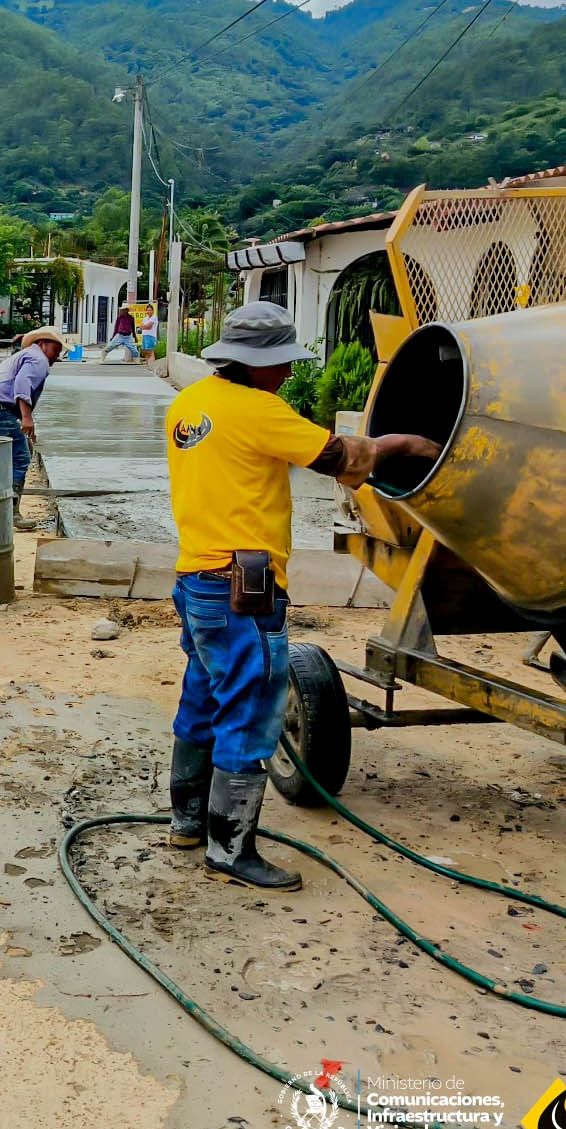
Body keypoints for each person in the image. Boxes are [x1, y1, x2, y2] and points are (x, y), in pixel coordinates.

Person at [165, 302, 440, 891]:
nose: (287, 373)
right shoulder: (260, 410)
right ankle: (230, 851)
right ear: (256, 365)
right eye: (281, 364)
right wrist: (408, 443)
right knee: (250, 710)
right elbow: (342, 459)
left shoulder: (190, 402)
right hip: (244, 590)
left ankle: (187, 821)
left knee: (202, 695)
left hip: (195, 582)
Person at [0, 325, 64, 530]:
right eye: (56, 350)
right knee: (20, 457)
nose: (57, 356)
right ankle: (10, 512)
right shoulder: (38, 359)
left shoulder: (28, 355)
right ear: (43, 344)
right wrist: (27, 417)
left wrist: (25, 421)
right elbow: (22, 385)